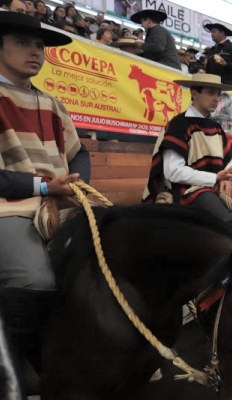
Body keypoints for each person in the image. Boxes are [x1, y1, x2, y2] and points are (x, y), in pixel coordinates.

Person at [0, 11, 90, 388]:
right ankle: (21, 369)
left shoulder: (53, 103)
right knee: (35, 280)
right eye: (22, 43)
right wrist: (43, 188)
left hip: (61, 203)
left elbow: (79, 153)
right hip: (11, 209)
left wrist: (77, 184)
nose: (35, 51)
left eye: (39, 45)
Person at [142, 74, 232, 224]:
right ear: (194, 93)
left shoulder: (216, 127)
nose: (216, 99)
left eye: (218, 94)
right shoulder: (179, 125)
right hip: (186, 190)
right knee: (224, 220)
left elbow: (231, 161)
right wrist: (214, 178)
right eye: (210, 93)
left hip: (214, 185)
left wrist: (229, 179)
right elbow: (173, 172)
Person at [203, 22, 232, 88]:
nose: (212, 34)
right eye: (211, 32)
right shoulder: (212, 50)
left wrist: (226, 64)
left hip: (227, 86)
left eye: (214, 32)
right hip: (213, 85)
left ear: (222, 33)